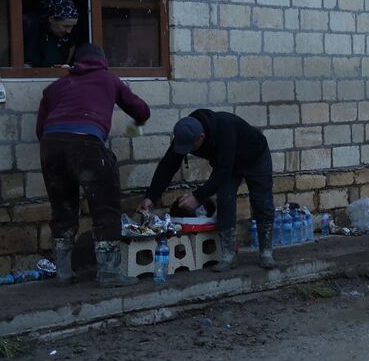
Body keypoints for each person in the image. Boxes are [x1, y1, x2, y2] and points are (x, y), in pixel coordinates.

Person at [35, 43, 150, 287]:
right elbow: (141, 110)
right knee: (105, 208)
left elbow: (40, 129)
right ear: (103, 61)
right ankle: (109, 273)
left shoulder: (56, 86)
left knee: (63, 210)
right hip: (86, 144)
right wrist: (136, 125)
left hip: (51, 146)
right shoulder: (108, 79)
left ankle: (63, 273)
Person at [141, 110, 275, 269]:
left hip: (255, 158)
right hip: (228, 164)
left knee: (262, 201)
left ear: (201, 137)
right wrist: (151, 196)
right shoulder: (186, 134)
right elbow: (167, 166)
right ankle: (228, 256)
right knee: (225, 199)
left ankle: (266, 252)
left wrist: (197, 197)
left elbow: (223, 171)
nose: (187, 150)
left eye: (190, 147)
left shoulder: (225, 128)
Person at [24, 0, 80, 67]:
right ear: (51, 19)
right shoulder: (30, 27)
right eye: (66, 26)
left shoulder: (68, 35)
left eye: (72, 26)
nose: (69, 31)